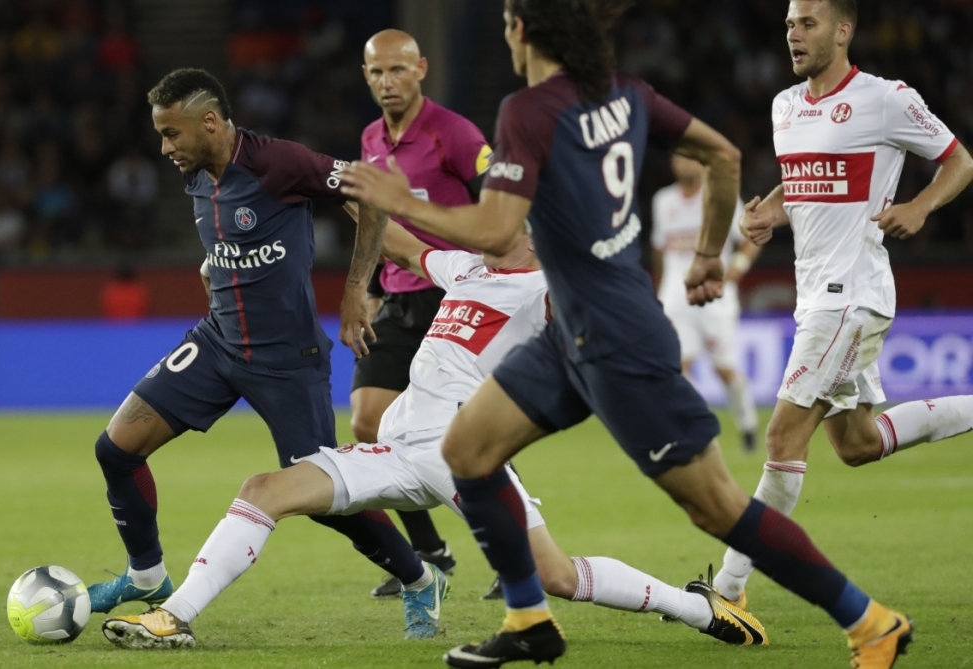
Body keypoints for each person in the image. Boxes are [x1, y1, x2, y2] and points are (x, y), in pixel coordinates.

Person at [341, 1, 919, 667]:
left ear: (522, 30)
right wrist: (708, 253)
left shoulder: (526, 112)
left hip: (618, 341)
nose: (505, 34)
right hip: (572, 333)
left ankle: (867, 618)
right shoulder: (626, 93)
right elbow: (722, 154)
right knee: (468, 450)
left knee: (717, 507)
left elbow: (499, 234)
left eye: (507, 23)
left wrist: (401, 201)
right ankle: (530, 617)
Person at [100, 220, 767, 650]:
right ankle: (174, 615)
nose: (487, 219)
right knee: (264, 487)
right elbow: (400, 240)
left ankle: (696, 609)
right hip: (399, 449)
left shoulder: (546, 286)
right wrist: (338, 189)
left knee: (557, 576)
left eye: (500, 215)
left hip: (465, 454)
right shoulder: (467, 267)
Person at [85, 68, 432, 642]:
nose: (165, 148)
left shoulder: (280, 163)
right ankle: (146, 578)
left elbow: (368, 193)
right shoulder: (196, 173)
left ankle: (420, 579)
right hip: (216, 344)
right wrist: (212, 274)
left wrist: (353, 291)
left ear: (211, 122)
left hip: (287, 360)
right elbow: (225, 245)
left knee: (324, 499)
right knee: (115, 450)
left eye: (171, 134)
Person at [712, 0, 973, 613]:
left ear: (843, 30)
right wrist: (771, 211)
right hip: (816, 299)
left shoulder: (886, 99)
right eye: (788, 26)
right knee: (856, 444)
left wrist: (918, 207)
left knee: (781, 434)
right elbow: (804, 179)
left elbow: (959, 161)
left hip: (852, 296)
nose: (793, 35)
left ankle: (727, 590)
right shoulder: (784, 106)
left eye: (807, 24)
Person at [353, 28, 497, 600]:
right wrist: (365, 285)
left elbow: (501, 209)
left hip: (455, 296)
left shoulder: (456, 134)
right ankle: (428, 552)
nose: (387, 82)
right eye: (376, 73)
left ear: (421, 70)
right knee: (368, 422)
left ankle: (513, 552)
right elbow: (372, 221)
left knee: (476, 435)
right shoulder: (368, 138)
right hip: (399, 299)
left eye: (397, 70)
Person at [651, 154, 761, 452]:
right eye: (679, 158)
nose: (683, 164)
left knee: (724, 368)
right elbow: (659, 250)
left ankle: (748, 425)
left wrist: (738, 265)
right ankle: (697, 430)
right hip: (675, 298)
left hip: (715, 297)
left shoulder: (719, 195)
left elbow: (750, 236)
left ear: (702, 164)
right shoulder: (663, 200)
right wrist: (659, 288)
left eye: (691, 159)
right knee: (678, 366)